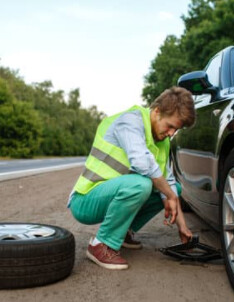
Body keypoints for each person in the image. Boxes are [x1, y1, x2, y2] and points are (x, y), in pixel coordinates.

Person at [68, 86, 196, 270]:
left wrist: (182, 227)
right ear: (157, 111)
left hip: (112, 195)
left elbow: (168, 184)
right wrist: (170, 196)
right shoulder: (130, 121)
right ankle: (100, 245)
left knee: (173, 188)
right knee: (143, 185)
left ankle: (122, 231)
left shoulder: (162, 142)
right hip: (85, 200)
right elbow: (142, 163)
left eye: (175, 130)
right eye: (170, 126)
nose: (171, 134)